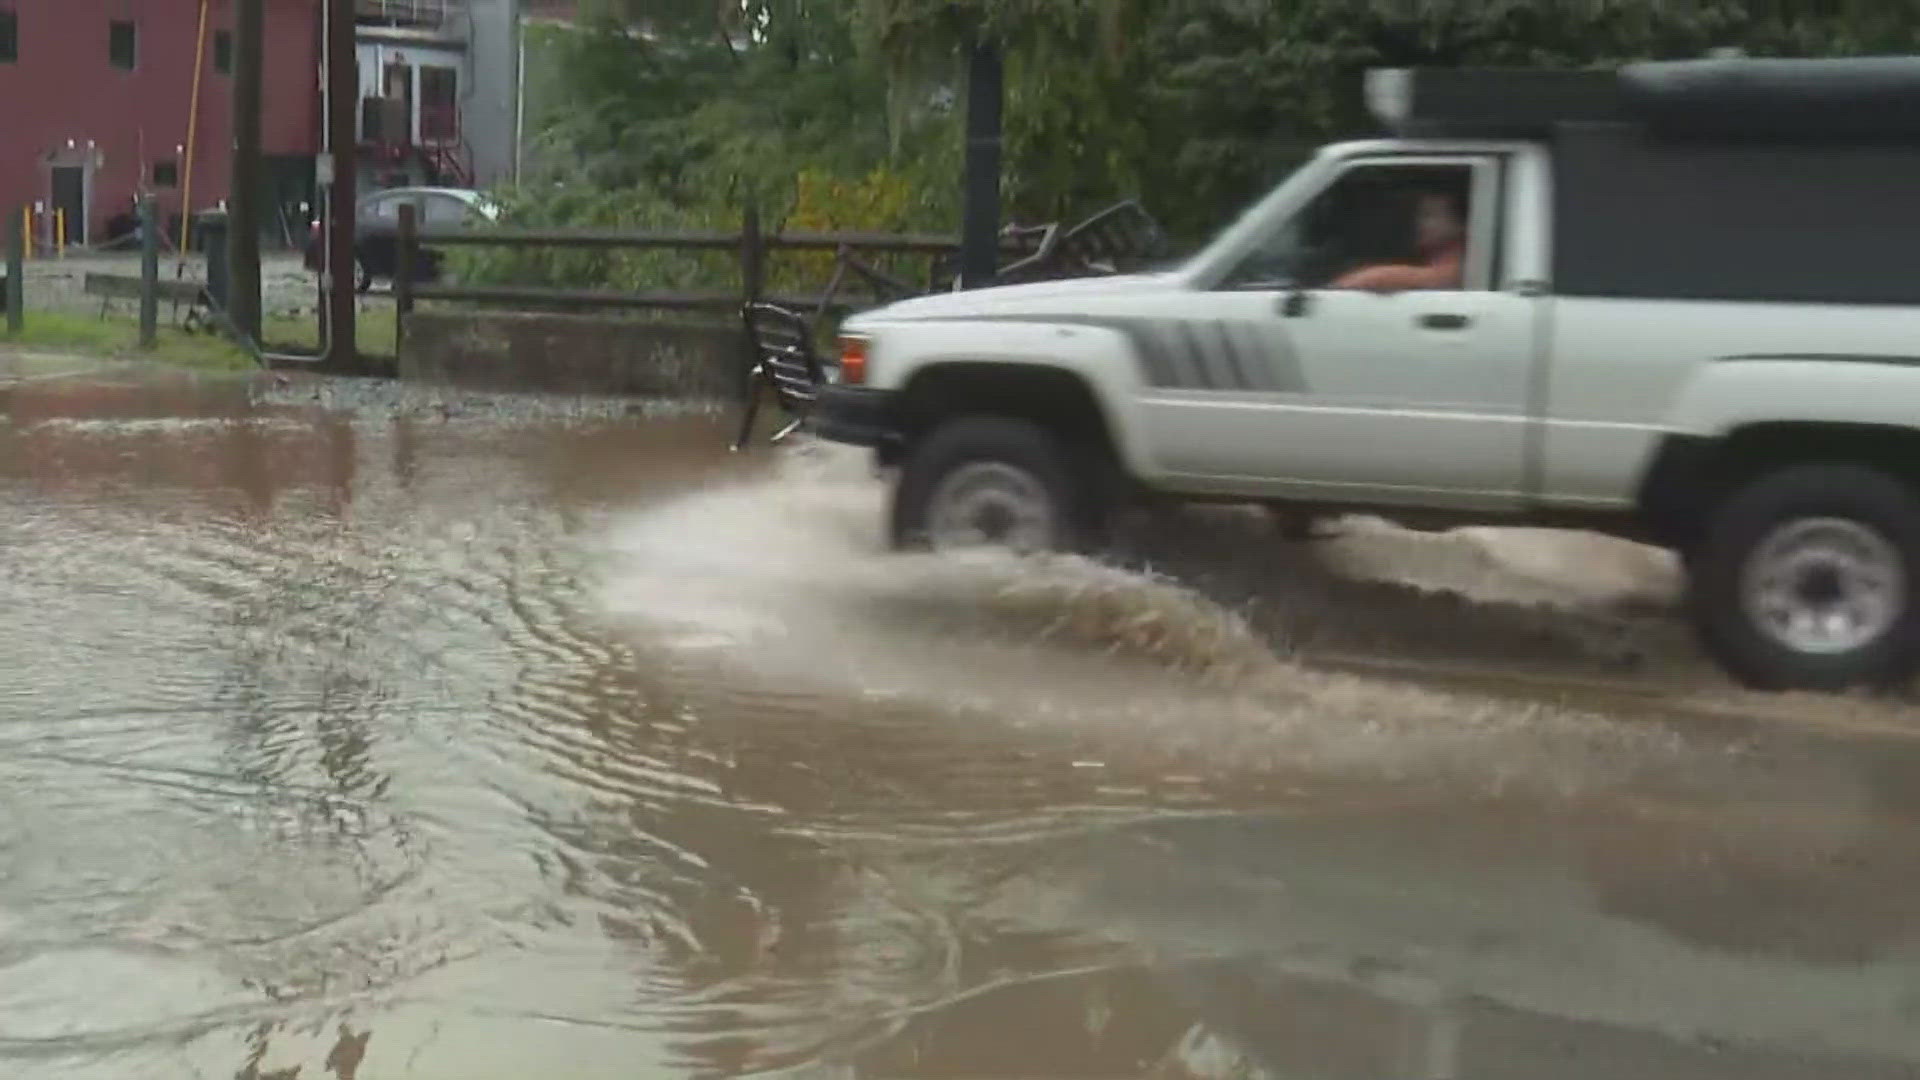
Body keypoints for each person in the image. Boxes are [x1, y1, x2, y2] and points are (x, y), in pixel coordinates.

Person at [1329, 189, 1467, 293]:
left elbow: (1435, 279)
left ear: (1460, 224)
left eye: (1430, 215)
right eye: (1420, 215)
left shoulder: (1465, 259)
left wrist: (1341, 287)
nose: (1419, 223)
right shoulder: (1436, 258)